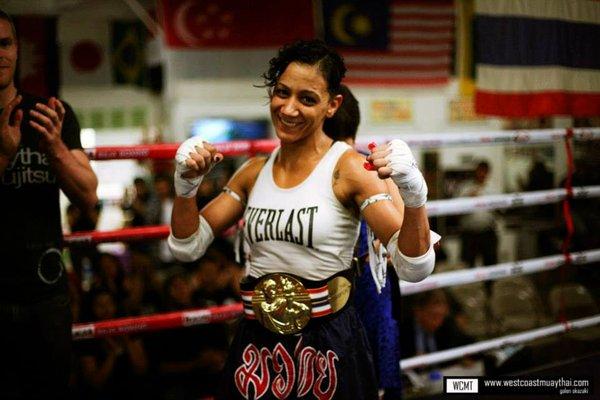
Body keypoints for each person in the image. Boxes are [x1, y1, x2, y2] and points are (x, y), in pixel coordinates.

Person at [168, 39, 434, 399]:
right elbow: (187, 245)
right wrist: (186, 188)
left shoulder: (350, 169)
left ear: (332, 104)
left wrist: (416, 198)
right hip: (257, 342)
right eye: (282, 93)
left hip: (328, 340)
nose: (289, 109)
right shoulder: (253, 171)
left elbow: (413, 266)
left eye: (307, 99)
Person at [0, 9, 98, 400]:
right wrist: (4, 156)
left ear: (18, 49)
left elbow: (88, 196)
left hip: (46, 293)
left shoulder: (50, 114)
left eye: (5, 43)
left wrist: (55, 148)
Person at [457, 160, 498, 268]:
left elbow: (501, 210)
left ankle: (489, 285)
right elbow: (455, 211)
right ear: (476, 171)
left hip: (488, 232)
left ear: (488, 173)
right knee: (467, 265)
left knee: (490, 264)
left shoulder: (494, 189)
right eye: (480, 171)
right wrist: (468, 199)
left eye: (484, 171)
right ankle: (467, 285)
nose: (481, 174)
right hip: (469, 234)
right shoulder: (465, 188)